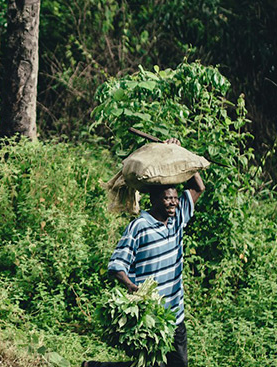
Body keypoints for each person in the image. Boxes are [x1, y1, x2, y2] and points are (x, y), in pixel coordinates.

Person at [86, 138, 206, 367]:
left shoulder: (177, 220)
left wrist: (176, 151)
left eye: (174, 198)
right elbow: (116, 265)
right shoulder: (140, 226)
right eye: (167, 199)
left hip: (175, 313)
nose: (173, 203)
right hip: (151, 317)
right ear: (154, 200)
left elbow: (198, 187)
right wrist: (131, 286)